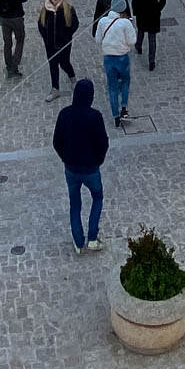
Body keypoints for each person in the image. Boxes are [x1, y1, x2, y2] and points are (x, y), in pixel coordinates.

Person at [51, 78, 108, 254]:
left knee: (75, 204)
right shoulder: (95, 117)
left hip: (71, 169)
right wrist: (98, 160)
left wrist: (65, 158)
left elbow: (56, 142)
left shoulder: (64, 114)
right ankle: (92, 237)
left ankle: (78, 241)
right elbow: (103, 143)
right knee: (97, 198)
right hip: (91, 168)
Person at [93, 0, 136, 126]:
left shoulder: (102, 21)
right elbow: (132, 41)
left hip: (109, 58)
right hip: (122, 58)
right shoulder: (125, 23)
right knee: (125, 82)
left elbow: (98, 39)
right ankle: (124, 108)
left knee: (112, 87)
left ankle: (116, 116)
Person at [38, 0, 79, 102]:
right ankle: (55, 88)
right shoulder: (45, 9)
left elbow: (75, 24)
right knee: (53, 65)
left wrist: (67, 36)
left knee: (64, 62)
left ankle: (73, 79)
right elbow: (41, 25)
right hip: (50, 44)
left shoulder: (68, 9)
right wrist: (46, 38)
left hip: (64, 43)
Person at [130, 0, 166, 71]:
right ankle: (151, 60)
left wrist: (136, 12)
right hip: (153, 16)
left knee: (140, 32)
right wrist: (158, 9)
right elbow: (163, 0)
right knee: (152, 39)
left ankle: (138, 46)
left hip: (142, 15)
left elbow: (134, 2)